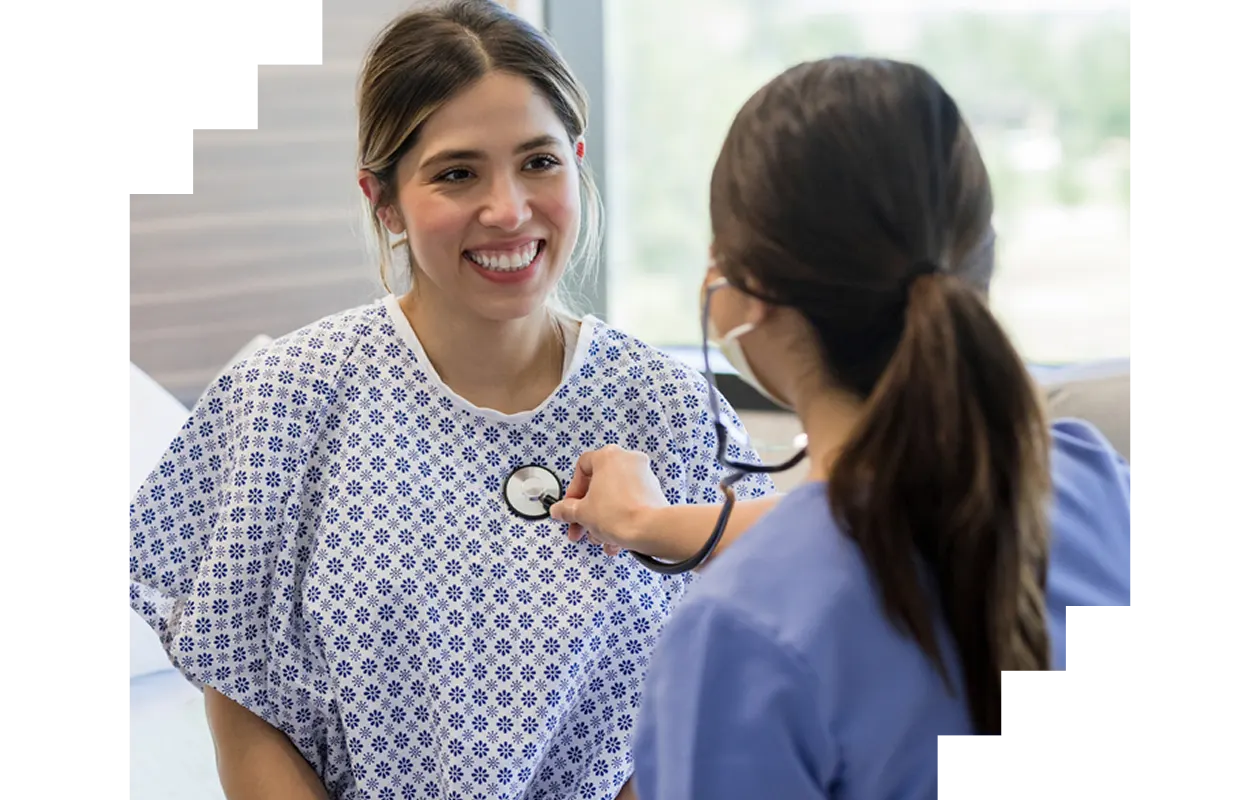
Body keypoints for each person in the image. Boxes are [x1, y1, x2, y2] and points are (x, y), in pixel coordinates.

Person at [125, 2, 773, 799]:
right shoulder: (284, 402)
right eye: (457, 173)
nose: (507, 210)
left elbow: (716, 697)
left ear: (577, 162)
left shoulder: (670, 408)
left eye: (538, 162)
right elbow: (241, 695)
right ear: (383, 201)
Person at [548, 57, 1134, 799]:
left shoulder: (738, 636)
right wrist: (651, 521)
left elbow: (833, 563)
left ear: (739, 293)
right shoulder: (1099, 482)